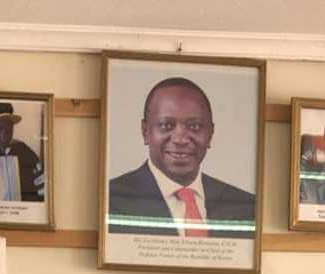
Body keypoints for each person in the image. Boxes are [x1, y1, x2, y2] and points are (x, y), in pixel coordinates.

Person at [106, 78, 257, 239]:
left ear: (210, 134)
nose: (180, 139)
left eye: (195, 126)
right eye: (166, 125)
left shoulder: (246, 207)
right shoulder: (111, 200)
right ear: (145, 131)